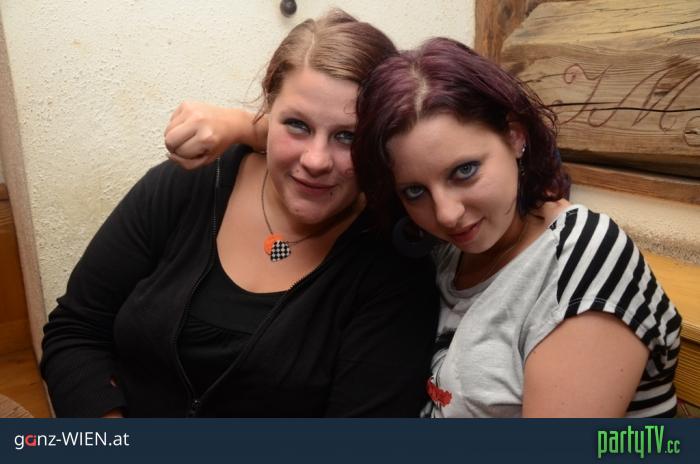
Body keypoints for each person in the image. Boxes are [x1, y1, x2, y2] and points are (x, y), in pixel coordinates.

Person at [40, 10, 438, 418]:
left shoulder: (392, 265)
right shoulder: (188, 185)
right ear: (267, 112)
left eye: (347, 136)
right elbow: (74, 331)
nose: (316, 160)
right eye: (297, 125)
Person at [351, 37, 681, 417]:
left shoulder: (582, 257)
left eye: (464, 171)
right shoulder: (448, 252)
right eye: (415, 191)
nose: (446, 214)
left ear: (515, 136)